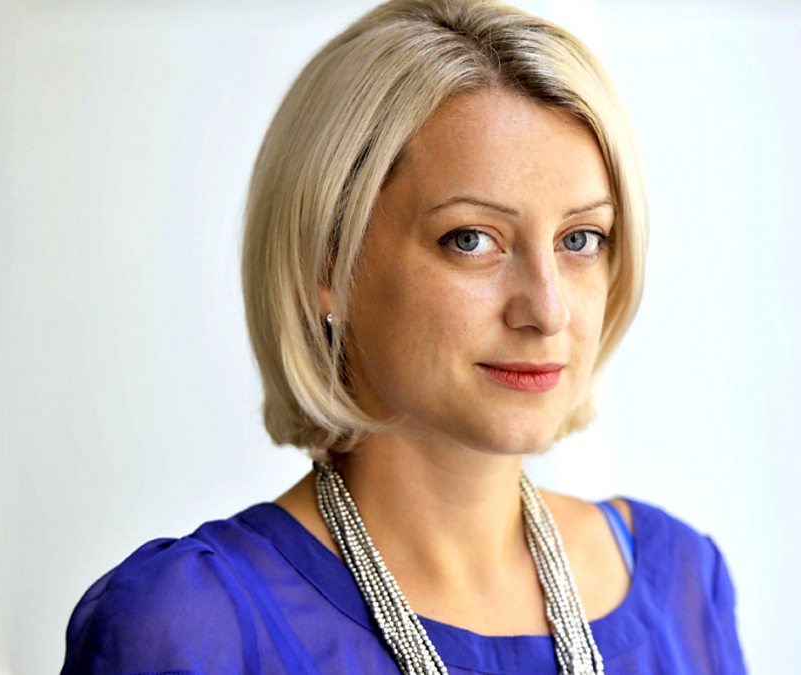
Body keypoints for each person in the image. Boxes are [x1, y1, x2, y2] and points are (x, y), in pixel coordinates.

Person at [60, 0, 748, 672]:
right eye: (471, 239)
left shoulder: (683, 589)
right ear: (326, 265)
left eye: (581, 239)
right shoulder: (191, 628)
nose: (546, 310)